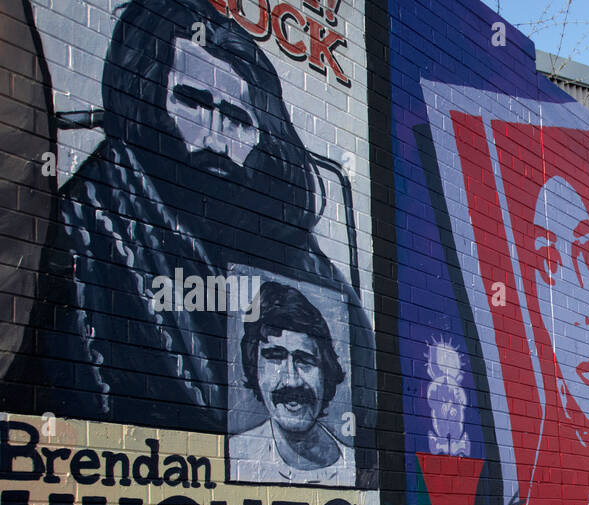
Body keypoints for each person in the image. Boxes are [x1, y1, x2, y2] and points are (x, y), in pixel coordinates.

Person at [27, 0, 372, 443]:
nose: (215, 137)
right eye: (191, 102)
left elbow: (361, 392)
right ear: (148, 96)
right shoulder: (85, 228)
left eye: (236, 119)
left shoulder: (295, 254)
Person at [229, 283, 353, 484]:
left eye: (304, 360)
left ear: (326, 372)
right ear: (255, 368)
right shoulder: (234, 456)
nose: (292, 379)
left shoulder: (356, 467)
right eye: (275, 357)